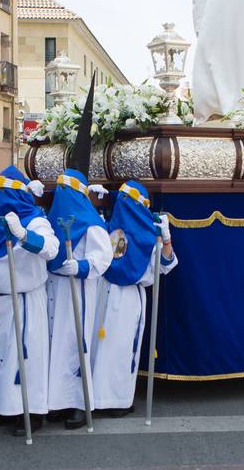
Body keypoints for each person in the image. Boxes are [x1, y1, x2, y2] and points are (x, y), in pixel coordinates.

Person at [90, 181, 177, 413]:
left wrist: (166, 240)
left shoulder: (149, 236)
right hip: (104, 293)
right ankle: (95, 398)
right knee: (99, 346)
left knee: (121, 348)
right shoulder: (108, 227)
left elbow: (166, 264)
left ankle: (117, 401)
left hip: (128, 298)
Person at [0, 167, 58, 433]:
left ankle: (32, 411)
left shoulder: (35, 221)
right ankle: (2, 407)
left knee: (26, 358)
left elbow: (51, 248)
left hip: (25, 299)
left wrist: (24, 235)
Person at [45, 169, 115, 426]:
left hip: (79, 288)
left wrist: (83, 266)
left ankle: (80, 402)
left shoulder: (92, 223)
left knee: (76, 342)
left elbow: (103, 257)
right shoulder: (52, 219)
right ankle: (58, 401)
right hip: (56, 286)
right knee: (56, 343)